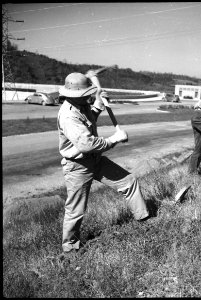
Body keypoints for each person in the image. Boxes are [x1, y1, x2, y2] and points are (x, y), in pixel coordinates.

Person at [57, 72, 149, 255]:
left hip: (96, 160)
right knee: (76, 210)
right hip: (77, 166)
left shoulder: (81, 105)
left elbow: (90, 119)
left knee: (129, 182)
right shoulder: (68, 116)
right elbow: (87, 144)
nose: (88, 97)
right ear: (75, 95)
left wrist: (98, 103)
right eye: (86, 94)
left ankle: (145, 222)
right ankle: (69, 249)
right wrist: (114, 139)